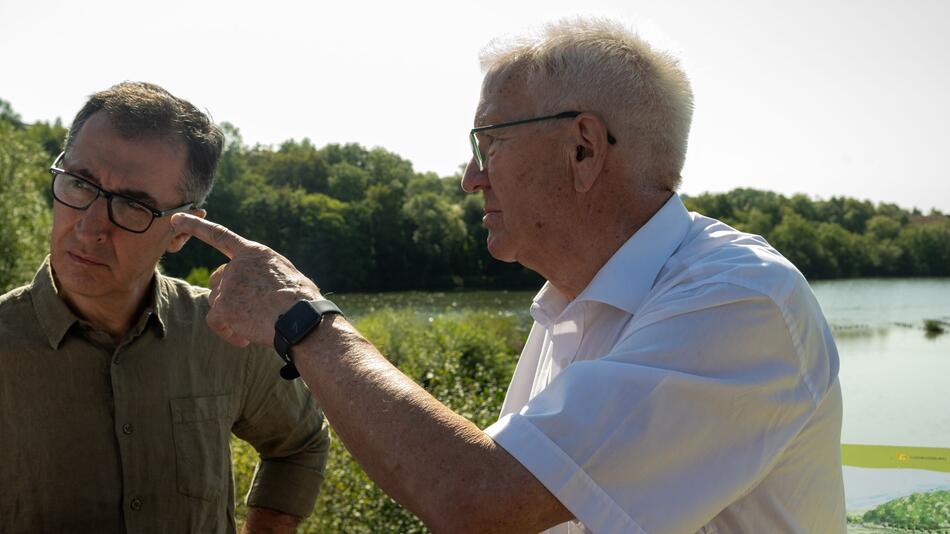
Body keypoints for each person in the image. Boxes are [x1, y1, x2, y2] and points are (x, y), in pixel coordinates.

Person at [171, 18, 846, 533]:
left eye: (488, 143)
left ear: (583, 148)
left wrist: (301, 318)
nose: (470, 178)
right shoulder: (569, 306)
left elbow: (476, 498)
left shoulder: (740, 302)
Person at [0, 82, 330, 533]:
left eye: (133, 205)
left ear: (183, 230)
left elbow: (300, 442)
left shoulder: (225, 333)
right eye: (80, 184)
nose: (91, 226)